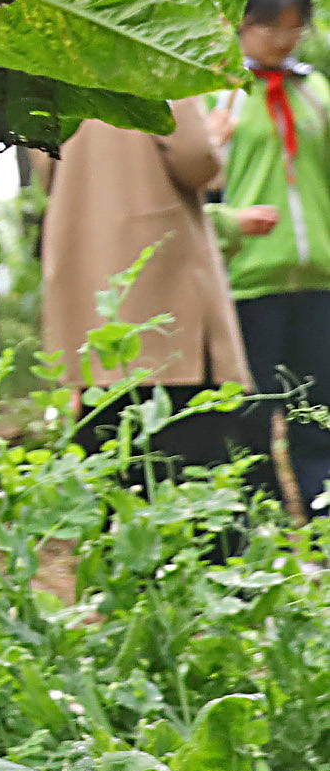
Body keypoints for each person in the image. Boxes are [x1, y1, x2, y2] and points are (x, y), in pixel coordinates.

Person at [34, 108, 256, 496]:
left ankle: (112, 550)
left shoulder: (42, 71)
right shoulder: (154, 58)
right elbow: (196, 160)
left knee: (106, 438)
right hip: (163, 275)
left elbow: (43, 168)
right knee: (191, 451)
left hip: (86, 273)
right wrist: (215, 140)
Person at [218, 0, 330, 507]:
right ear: (241, 24)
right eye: (269, 26)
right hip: (245, 284)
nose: (281, 39)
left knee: (319, 415)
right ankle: (258, 536)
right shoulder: (220, 93)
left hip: (318, 284)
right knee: (250, 420)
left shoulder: (316, 94)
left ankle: (322, 522)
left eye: (293, 27)